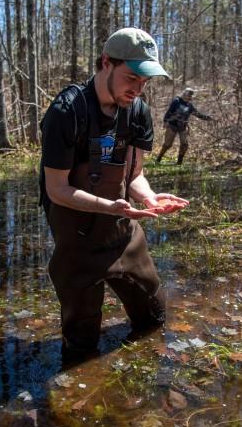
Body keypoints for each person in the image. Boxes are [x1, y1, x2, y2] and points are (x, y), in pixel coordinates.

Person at [39, 28, 189, 360]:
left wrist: (148, 197)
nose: (137, 89)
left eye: (145, 82)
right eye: (131, 77)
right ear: (106, 62)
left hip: (123, 231)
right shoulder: (68, 112)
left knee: (154, 318)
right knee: (81, 345)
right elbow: (57, 189)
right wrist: (111, 206)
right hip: (76, 239)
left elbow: (133, 175)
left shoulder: (138, 113)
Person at [156, 88, 213, 165]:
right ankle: (158, 159)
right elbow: (169, 111)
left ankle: (179, 162)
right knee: (167, 144)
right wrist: (165, 121)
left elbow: (198, 114)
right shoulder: (176, 101)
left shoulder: (189, 105)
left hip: (182, 127)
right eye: (188, 95)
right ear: (184, 94)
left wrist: (209, 118)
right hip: (172, 125)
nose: (189, 97)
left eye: (190, 96)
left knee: (184, 145)